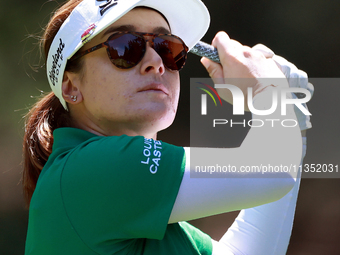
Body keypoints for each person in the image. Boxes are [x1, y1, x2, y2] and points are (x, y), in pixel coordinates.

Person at [23, 0, 312, 254]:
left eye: (167, 47)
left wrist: (289, 120)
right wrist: (269, 90)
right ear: (71, 85)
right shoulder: (89, 169)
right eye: (124, 46)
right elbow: (271, 172)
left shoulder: (131, 199)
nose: (156, 62)